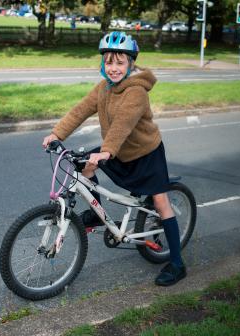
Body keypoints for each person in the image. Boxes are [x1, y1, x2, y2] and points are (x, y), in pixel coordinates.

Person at [41, 31, 186, 287]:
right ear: (102, 64)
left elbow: (123, 124)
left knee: (162, 203)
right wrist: (57, 132)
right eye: (109, 62)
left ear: (130, 64)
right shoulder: (103, 88)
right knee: (81, 165)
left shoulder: (136, 91)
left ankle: (176, 263)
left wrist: (106, 151)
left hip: (145, 154)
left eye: (120, 62)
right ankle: (97, 215)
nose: (114, 68)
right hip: (116, 149)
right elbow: (80, 110)